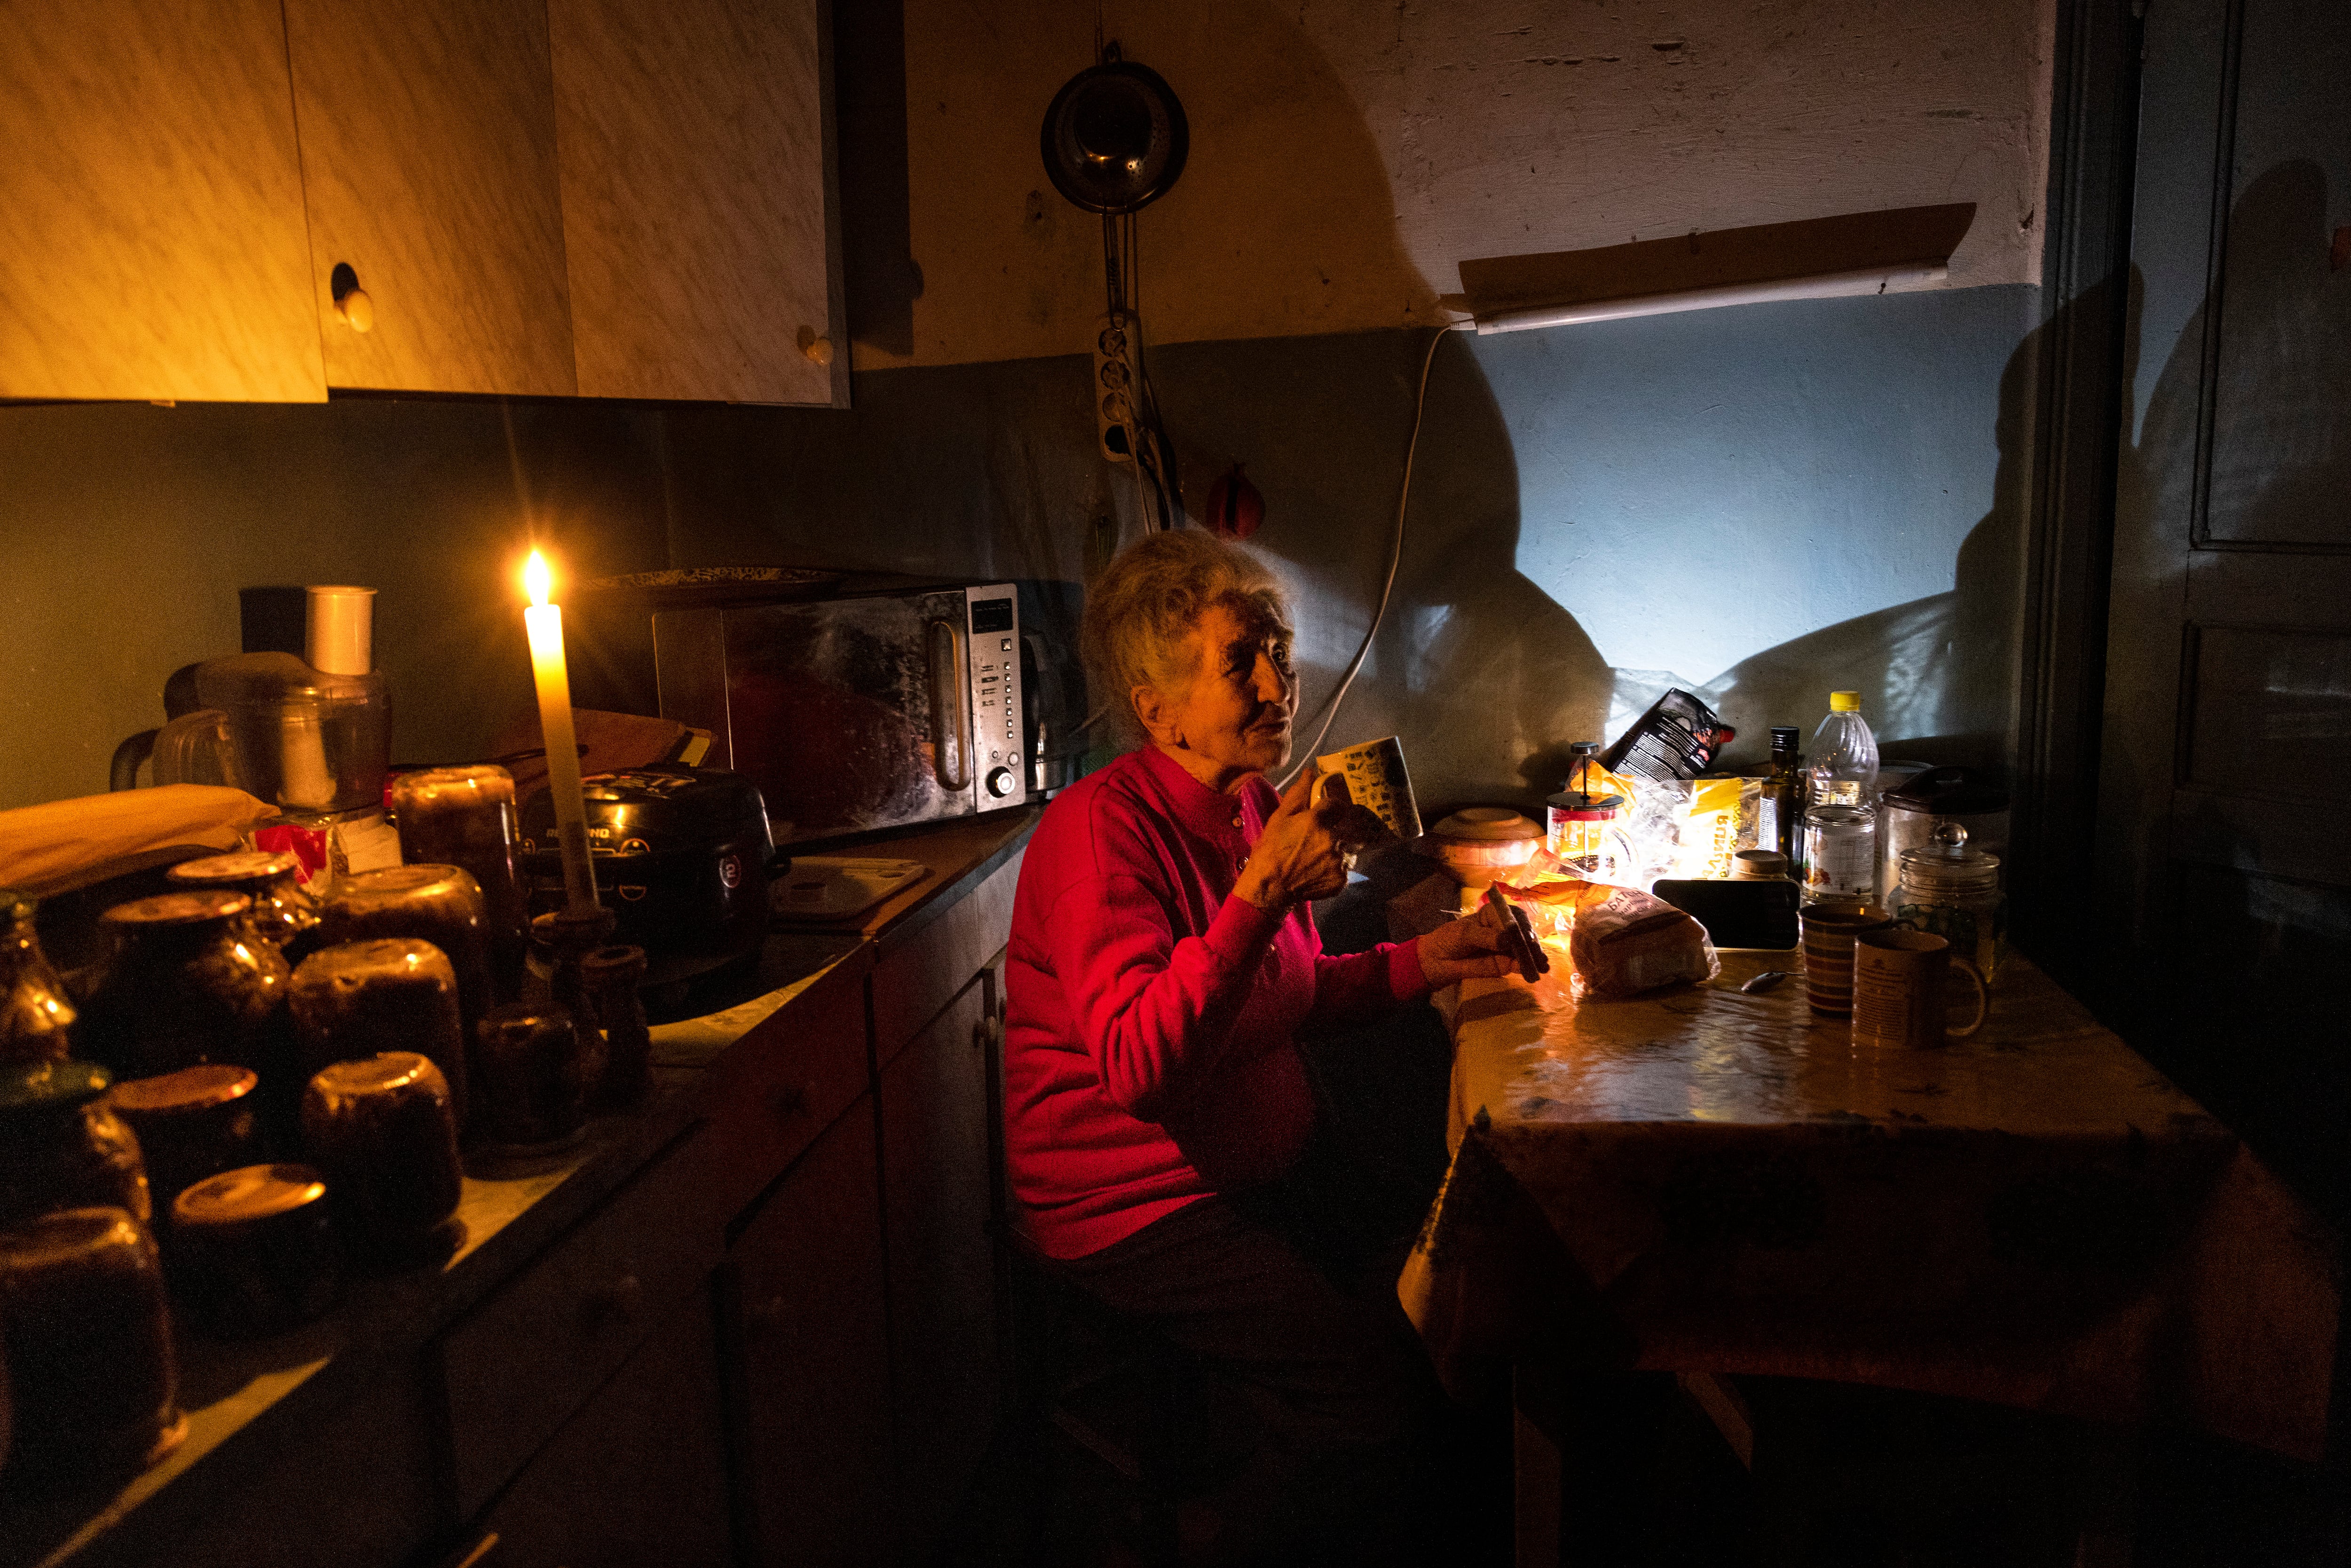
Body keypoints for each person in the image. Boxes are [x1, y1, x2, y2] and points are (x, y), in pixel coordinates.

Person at [1002, 529, 1517, 1563]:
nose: (1277, 681)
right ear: (1159, 709)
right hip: (1137, 1205)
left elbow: (1282, 997)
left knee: (1461, 1309)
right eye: (1240, 661)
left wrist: (1438, 955)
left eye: (1278, 650)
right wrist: (1259, 893)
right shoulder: (1102, 834)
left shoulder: (1246, 806)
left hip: (1262, 1166)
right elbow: (1141, 1066)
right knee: (1370, 1404)